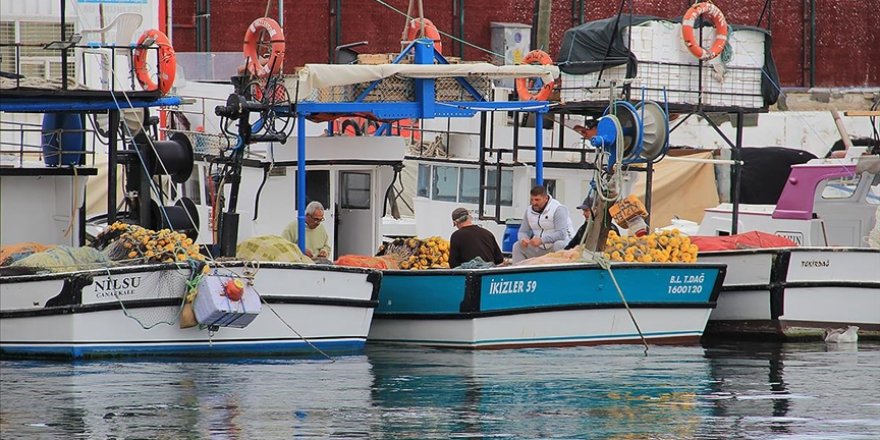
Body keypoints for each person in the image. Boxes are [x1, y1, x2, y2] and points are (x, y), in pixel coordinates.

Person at [512, 186, 574, 263]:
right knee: (517, 246)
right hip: (539, 248)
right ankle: (519, 273)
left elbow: (561, 234)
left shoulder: (558, 209)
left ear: (546, 198)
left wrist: (542, 240)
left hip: (558, 246)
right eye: (532, 200)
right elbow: (523, 231)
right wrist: (523, 239)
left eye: (537, 200)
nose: (534, 203)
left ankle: (560, 271)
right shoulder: (528, 211)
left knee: (559, 244)